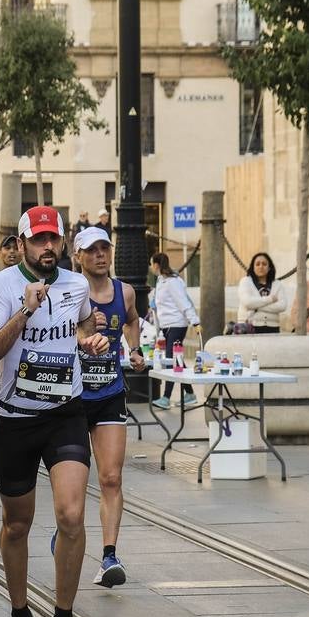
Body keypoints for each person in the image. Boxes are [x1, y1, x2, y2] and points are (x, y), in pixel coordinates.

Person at [0, 205, 109, 617]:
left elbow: (86, 324)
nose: (47, 247)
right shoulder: (3, 287)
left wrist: (90, 340)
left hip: (63, 414)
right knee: (17, 524)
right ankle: (19, 616)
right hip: (14, 420)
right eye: (39, 240)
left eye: (54, 239)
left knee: (71, 515)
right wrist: (24, 313)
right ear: (22, 243)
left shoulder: (75, 285)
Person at [76, 228, 145, 586]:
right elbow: (54, 330)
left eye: (105, 248)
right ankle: (67, 534)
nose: (100, 255)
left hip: (109, 393)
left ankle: (109, 556)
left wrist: (134, 349)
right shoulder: (69, 291)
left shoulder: (125, 292)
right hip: (72, 398)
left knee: (111, 476)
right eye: (92, 250)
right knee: (71, 485)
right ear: (79, 256)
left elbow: (132, 319)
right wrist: (83, 331)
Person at [149, 252, 200, 408]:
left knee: (172, 360)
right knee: (177, 360)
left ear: (156, 265)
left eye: (151, 264)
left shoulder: (173, 281)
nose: (151, 267)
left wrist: (195, 321)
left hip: (177, 325)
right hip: (167, 326)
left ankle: (166, 397)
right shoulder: (161, 280)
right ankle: (190, 394)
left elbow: (183, 302)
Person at [236, 252, 286, 333]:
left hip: (273, 328)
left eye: (264, 264)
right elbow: (247, 302)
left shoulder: (277, 284)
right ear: (253, 267)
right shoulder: (245, 282)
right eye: (257, 264)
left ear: (269, 267)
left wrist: (255, 305)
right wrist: (269, 300)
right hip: (249, 327)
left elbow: (282, 306)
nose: (261, 266)